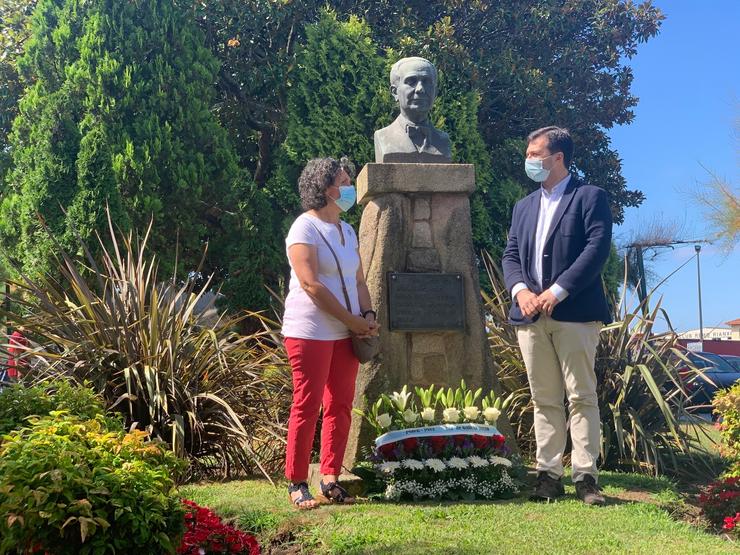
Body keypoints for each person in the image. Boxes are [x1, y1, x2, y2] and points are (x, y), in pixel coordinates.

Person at [502, 126, 613, 506]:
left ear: (558, 157)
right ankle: (548, 474)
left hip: (576, 315)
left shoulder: (590, 197)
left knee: (581, 396)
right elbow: (511, 255)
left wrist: (558, 291)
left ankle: (586, 477)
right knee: (544, 399)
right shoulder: (523, 206)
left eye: (535, 154)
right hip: (530, 317)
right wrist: (522, 292)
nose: (529, 160)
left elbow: (597, 249)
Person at [282, 157, 379, 509]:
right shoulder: (303, 228)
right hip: (309, 331)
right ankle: (296, 482)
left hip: (346, 332)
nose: (350, 185)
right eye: (343, 180)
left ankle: (330, 479)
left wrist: (366, 315)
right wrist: (351, 321)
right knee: (307, 404)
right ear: (324, 189)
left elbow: (358, 280)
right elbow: (310, 284)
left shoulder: (347, 230)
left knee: (340, 405)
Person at [374, 56, 451, 163]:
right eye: (411, 81)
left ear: (435, 92)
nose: (420, 89)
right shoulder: (383, 138)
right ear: (395, 92)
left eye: (426, 82)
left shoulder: (443, 141)